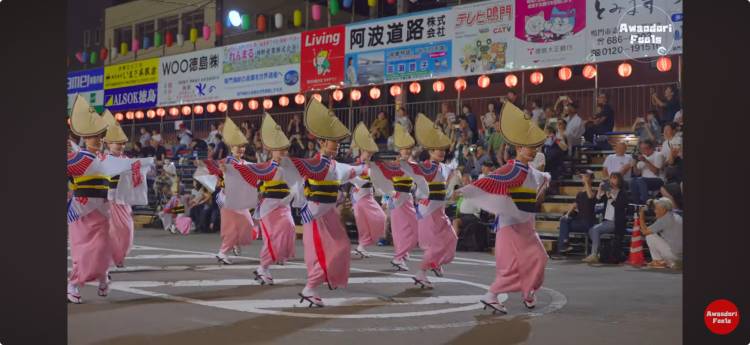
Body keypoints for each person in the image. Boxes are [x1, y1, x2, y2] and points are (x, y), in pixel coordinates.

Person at [457, 101, 550, 314]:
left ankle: (528, 291)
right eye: (529, 148)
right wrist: (467, 190)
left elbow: (543, 178)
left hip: (527, 225)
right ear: (518, 147)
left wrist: (545, 182)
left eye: (535, 148)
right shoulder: (512, 168)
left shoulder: (531, 171)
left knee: (539, 258)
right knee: (512, 267)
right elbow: (491, 181)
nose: (533, 151)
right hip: (510, 225)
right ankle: (491, 295)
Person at [281, 99, 366, 307]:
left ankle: (319, 282)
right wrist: (301, 205)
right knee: (321, 252)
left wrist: (371, 166)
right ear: (321, 143)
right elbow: (295, 179)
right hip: (315, 213)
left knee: (343, 247)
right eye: (332, 142)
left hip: (328, 213)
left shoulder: (336, 165)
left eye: (337, 143)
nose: (335, 146)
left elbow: (357, 170)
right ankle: (310, 288)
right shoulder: (312, 163)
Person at [67, 95, 150, 304]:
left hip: (102, 210)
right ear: (85, 137)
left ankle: (103, 277)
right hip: (81, 211)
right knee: (83, 251)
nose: (98, 139)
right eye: (94, 136)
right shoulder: (77, 158)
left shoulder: (106, 159)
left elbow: (130, 171)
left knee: (103, 247)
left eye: (100, 135)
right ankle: (74, 283)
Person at [223, 114, 298, 284]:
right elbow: (245, 170)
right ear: (272, 150)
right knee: (273, 238)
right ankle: (263, 268)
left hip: (284, 206)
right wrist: (226, 169)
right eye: (280, 150)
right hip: (269, 207)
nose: (283, 153)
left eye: (285, 149)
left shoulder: (289, 166)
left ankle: (270, 262)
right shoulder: (264, 166)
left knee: (289, 228)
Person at [399, 113, 459, 288]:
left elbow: (452, 166)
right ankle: (422, 273)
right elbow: (414, 169)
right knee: (436, 244)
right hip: (429, 211)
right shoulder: (426, 166)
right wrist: (405, 161)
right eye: (437, 149)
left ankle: (434, 264)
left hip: (438, 211)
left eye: (442, 149)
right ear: (431, 151)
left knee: (451, 238)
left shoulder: (443, 167)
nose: (441, 151)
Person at [101, 111, 153, 269]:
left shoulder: (127, 160)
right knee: (110, 233)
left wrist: (141, 169)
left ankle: (118, 257)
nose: (121, 146)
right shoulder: (103, 159)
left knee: (127, 232)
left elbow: (136, 178)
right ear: (108, 143)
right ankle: (108, 261)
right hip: (107, 200)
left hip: (123, 200)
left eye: (123, 143)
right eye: (117, 143)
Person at [369, 123, 420, 272]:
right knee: (399, 229)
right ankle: (399, 257)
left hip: (407, 198)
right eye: (404, 149)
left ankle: (402, 255)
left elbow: (418, 181)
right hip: (398, 197)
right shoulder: (394, 165)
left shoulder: (412, 164)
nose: (407, 151)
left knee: (412, 228)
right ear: (400, 150)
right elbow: (382, 176)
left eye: (409, 149)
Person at [213, 118, 256, 265]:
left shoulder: (243, 162)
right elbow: (221, 171)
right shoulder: (227, 162)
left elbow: (251, 168)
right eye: (238, 147)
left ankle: (233, 244)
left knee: (246, 224)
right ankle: (223, 252)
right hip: (228, 199)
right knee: (238, 225)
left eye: (243, 147)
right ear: (231, 147)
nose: (241, 149)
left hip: (239, 200)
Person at [349, 123, 387, 258]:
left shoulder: (369, 165)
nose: (369, 155)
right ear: (361, 151)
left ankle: (361, 246)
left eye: (371, 154)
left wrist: (386, 193)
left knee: (367, 223)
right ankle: (362, 245)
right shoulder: (356, 164)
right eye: (367, 153)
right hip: (361, 197)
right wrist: (362, 182)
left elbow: (377, 184)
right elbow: (351, 179)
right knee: (378, 218)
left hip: (367, 196)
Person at [583, 172, 629, 264]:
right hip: (606, 220)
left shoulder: (622, 193)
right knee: (591, 230)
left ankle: (594, 254)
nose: (612, 180)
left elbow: (620, 207)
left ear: (619, 180)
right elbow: (596, 201)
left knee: (595, 230)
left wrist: (611, 196)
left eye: (615, 178)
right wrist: (600, 190)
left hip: (616, 222)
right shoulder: (608, 190)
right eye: (611, 178)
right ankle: (598, 252)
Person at [556, 171, 596, 254]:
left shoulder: (594, 192)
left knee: (563, 226)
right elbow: (574, 205)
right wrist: (567, 215)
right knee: (564, 220)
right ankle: (564, 244)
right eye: (584, 177)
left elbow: (590, 196)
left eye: (587, 177)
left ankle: (563, 246)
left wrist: (586, 182)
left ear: (591, 179)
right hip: (579, 221)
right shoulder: (580, 193)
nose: (584, 178)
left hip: (587, 222)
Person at [639, 198, 682, 269]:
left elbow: (644, 231)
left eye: (657, 209)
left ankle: (659, 261)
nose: (655, 211)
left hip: (674, 255)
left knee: (650, 236)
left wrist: (641, 216)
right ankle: (667, 262)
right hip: (680, 254)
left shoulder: (664, 220)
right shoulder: (676, 216)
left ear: (664, 209)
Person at [630, 140, 666, 204]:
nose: (643, 151)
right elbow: (637, 173)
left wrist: (645, 161)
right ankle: (637, 203)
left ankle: (646, 202)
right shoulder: (642, 156)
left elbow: (656, 172)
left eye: (645, 148)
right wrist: (634, 165)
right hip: (644, 182)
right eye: (641, 149)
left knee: (640, 180)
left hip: (658, 180)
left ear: (651, 148)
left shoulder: (658, 155)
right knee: (633, 181)